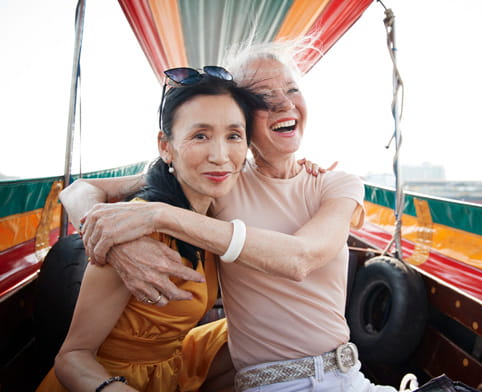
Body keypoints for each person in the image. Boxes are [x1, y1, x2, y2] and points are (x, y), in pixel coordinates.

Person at [61, 41, 398, 391]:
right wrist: (113, 243)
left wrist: (159, 217)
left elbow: (301, 258)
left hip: (350, 374)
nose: (284, 103)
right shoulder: (217, 183)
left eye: (292, 89)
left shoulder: (336, 184)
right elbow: (77, 191)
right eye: (264, 98)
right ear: (245, 119)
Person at [37, 67, 267, 392]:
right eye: (200, 135)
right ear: (165, 146)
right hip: (106, 381)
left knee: (267, 329)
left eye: (233, 135)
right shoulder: (135, 228)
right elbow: (72, 357)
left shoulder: (217, 212)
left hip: (170, 367)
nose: (220, 156)